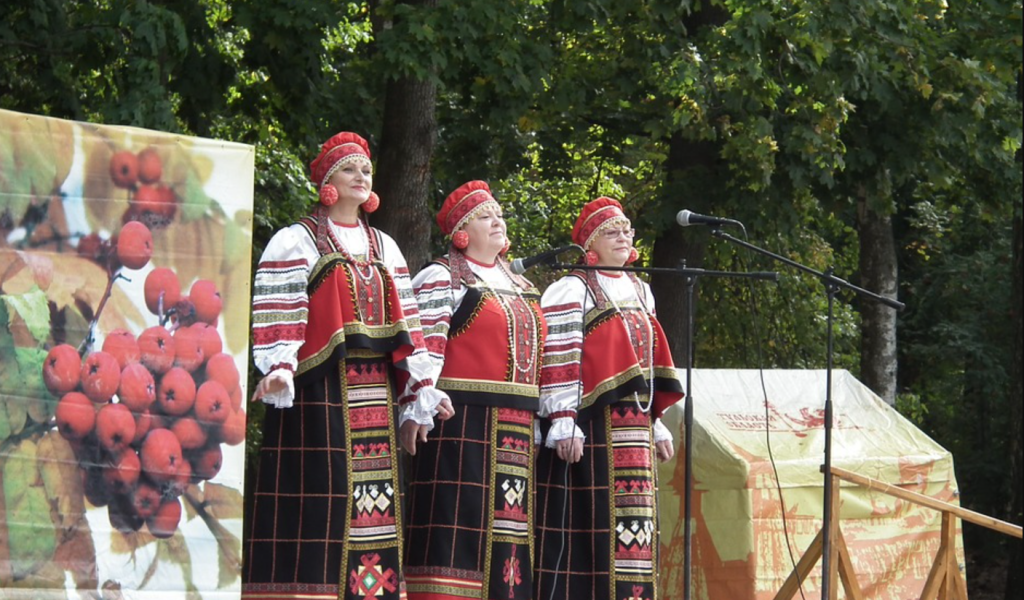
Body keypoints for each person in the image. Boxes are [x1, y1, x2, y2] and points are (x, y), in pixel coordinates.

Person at [243, 131, 454, 600]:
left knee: (373, 506)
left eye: (366, 169)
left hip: (374, 393)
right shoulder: (297, 240)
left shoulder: (384, 246)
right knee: (327, 502)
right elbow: (281, 308)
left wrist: (419, 390)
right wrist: (278, 365)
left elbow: (410, 325)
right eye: (350, 168)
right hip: (320, 392)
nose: (361, 175)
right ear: (327, 181)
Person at [402, 180, 547, 600]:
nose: (498, 221)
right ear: (461, 232)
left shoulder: (522, 286)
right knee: (457, 528)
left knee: (509, 534)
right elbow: (421, 342)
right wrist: (417, 403)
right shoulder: (442, 276)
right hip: (459, 418)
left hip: (516, 424)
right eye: (485, 216)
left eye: (499, 214)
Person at [533, 197, 684, 600]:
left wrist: (655, 422)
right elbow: (558, 357)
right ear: (590, 245)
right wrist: (565, 419)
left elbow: (645, 364)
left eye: (627, 230)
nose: (623, 236)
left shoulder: (641, 290)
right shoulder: (572, 287)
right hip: (591, 424)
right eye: (611, 231)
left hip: (633, 425)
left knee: (636, 524)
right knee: (593, 524)